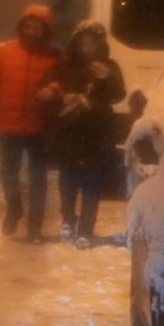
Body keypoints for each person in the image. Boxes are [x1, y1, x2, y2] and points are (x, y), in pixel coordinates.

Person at [0, 4, 61, 243]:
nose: (32, 30)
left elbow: (66, 79)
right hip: (9, 125)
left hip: (39, 126)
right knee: (8, 174)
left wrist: (54, 88)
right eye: (28, 26)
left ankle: (35, 226)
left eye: (38, 27)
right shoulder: (4, 52)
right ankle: (14, 209)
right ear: (22, 26)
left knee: (38, 179)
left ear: (46, 29)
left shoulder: (54, 55)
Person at [43, 21, 125, 249]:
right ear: (75, 44)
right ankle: (68, 218)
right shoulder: (66, 66)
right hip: (70, 131)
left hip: (97, 132)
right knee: (68, 179)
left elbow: (118, 95)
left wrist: (107, 77)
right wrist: (62, 96)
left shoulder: (109, 66)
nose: (86, 49)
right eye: (82, 44)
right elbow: (52, 87)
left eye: (91, 44)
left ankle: (86, 229)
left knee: (93, 182)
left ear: (99, 45)